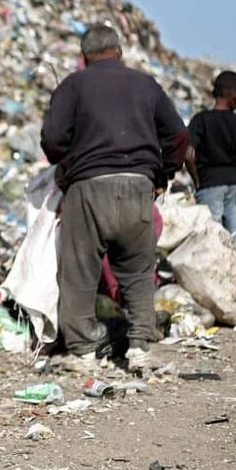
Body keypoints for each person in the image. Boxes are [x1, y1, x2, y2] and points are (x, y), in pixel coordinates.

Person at [40, 24, 188, 373]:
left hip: (88, 188)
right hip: (138, 187)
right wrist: (162, 175)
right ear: (119, 52)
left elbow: (52, 139)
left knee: (80, 271)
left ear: (84, 56)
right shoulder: (146, 84)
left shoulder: (72, 85)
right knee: (138, 272)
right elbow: (179, 135)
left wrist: (70, 159)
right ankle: (139, 347)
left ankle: (83, 352)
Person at [185, 70, 236, 249]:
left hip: (209, 184)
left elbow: (187, 154)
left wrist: (197, 181)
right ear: (234, 97)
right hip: (233, 185)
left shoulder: (200, 120)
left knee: (212, 239)